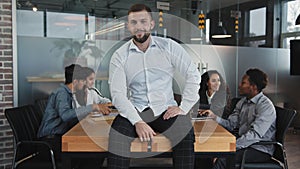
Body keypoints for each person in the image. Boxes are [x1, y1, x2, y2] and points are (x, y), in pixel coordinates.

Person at [108, 4, 201, 169]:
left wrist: (184, 107)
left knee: (185, 132)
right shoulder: (119, 56)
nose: (139, 26)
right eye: (134, 22)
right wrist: (137, 121)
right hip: (135, 108)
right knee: (117, 137)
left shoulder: (169, 47)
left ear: (151, 24)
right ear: (128, 27)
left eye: (143, 21)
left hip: (165, 110)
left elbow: (193, 74)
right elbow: (117, 94)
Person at [199, 68, 276, 169]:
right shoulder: (242, 102)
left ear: (253, 87)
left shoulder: (265, 106)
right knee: (206, 151)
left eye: (243, 83)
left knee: (223, 159)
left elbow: (254, 135)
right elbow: (231, 124)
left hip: (259, 148)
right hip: (243, 143)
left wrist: (231, 146)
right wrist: (214, 117)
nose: (239, 85)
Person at [37, 64, 110, 162]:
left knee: (95, 150)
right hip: (50, 141)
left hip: (58, 137)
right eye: (83, 81)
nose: (85, 84)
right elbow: (65, 115)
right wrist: (92, 107)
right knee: (93, 152)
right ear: (75, 81)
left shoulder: (69, 94)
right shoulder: (61, 93)